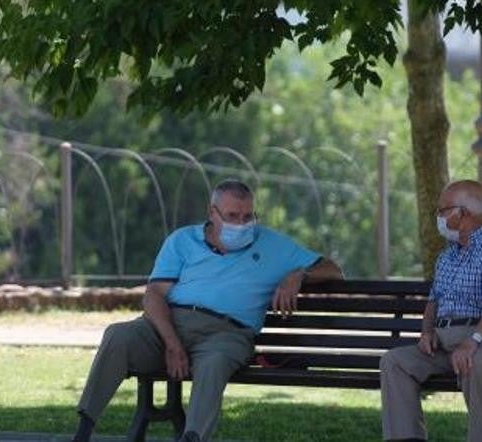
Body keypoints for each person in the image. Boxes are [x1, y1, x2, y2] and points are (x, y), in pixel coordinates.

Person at [70, 178, 344, 442]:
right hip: (168, 325)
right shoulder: (182, 240)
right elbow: (154, 296)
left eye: (248, 216)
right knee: (118, 335)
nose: (241, 224)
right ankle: (83, 429)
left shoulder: (272, 244)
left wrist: (298, 274)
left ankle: (193, 437)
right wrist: (172, 344)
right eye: (232, 215)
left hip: (227, 333)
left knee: (214, 362)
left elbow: (333, 269)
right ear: (212, 213)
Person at [379, 179, 482, 442]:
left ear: (462, 213)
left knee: (478, 361)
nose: (438, 217)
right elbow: (434, 301)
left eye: (442, 210)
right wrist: (427, 332)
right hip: (448, 342)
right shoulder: (448, 255)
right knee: (395, 362)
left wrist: (473, 341)